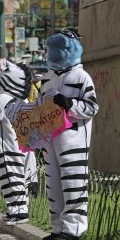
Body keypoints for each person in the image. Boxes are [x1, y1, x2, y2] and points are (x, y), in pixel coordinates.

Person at [34, 31, 98, 240]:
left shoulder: (81, 77)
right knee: (54, 185)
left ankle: (73, 230)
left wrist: (70, 105)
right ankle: (58, 229)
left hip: (73, 140)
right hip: (50, 140)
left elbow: (92, 106)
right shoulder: (47, 78)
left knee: (73, 183)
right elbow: (38, 108)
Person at [0, 60, 36, 225]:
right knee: (20, 179)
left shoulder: (3, 99)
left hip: (8, 146)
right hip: (24, 147)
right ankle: (16, 210)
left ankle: (19, 212)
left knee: (11, 178)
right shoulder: (23, 100)